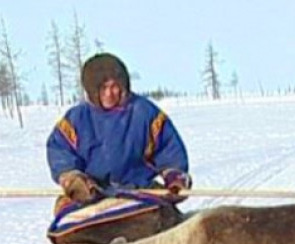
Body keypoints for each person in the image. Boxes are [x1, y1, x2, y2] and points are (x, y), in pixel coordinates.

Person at [46, 52, 191, 205]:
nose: (109, 94)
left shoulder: (144, 112)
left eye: (114, 87)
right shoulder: (76, 119)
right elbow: (60, 150)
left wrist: (174, 176)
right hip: (91, 193)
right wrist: (72, 178)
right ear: (91, 90)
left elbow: (168, 147)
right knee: (66, 219)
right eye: (103, 88)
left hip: (139, 189)